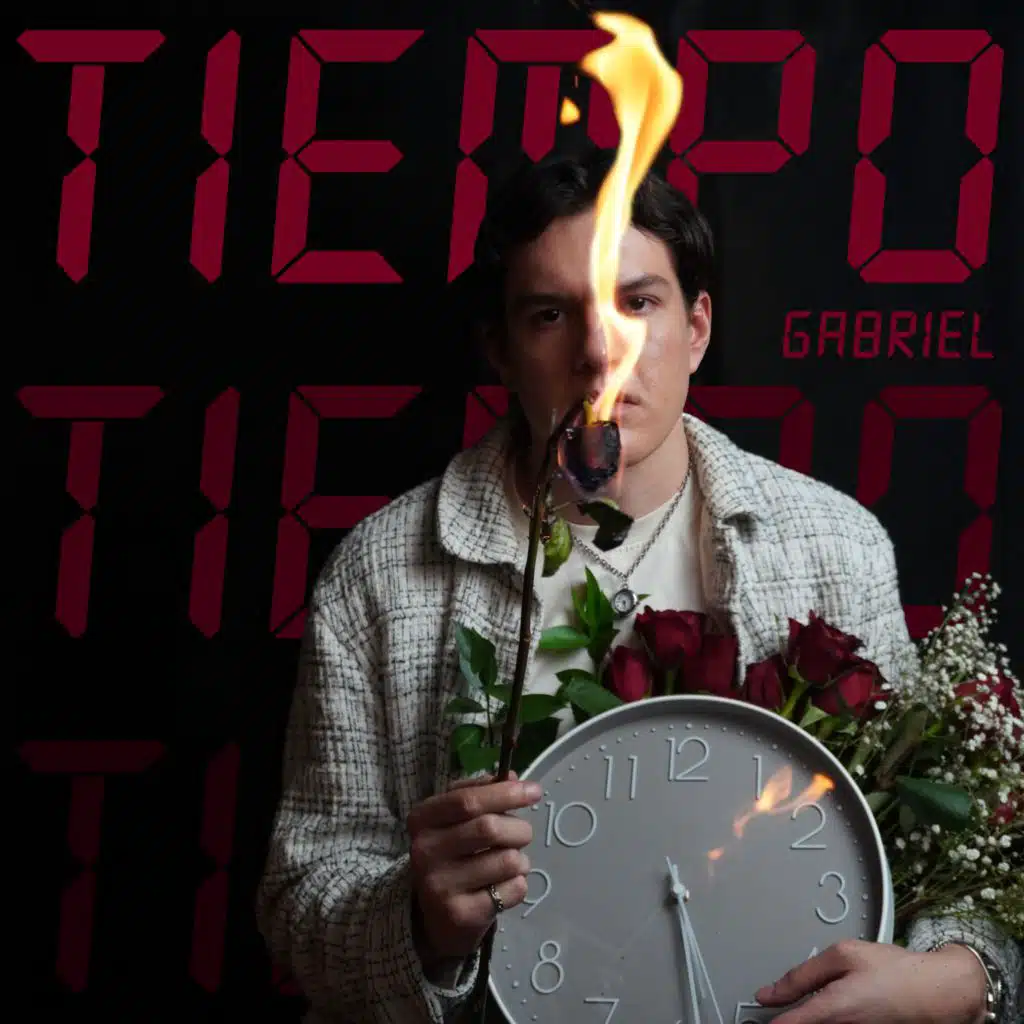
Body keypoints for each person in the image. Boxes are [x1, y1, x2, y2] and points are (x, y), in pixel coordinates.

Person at [255, 148, 1021, 1024]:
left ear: (696, 329)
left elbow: (947, 861)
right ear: (500, 350)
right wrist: (419, 922)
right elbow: (301, 902)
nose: (599, 352)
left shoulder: (835, 547)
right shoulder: (383, 575)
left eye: (638, 303)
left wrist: (966, 977)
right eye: (551, 314)